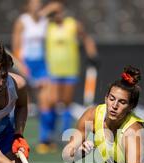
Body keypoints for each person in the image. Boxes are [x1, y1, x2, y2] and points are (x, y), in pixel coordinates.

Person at [36, 0, 98, 154]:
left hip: (69, 71)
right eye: (54, 12)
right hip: (53, 73)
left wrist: (92, 53)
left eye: (59, 11)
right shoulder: (46, 26)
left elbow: (86, 38)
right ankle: (46, 138)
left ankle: (66, 137)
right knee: (49, 103)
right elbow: (36, 17)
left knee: (65, 104)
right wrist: (49, 9)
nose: (57, 14)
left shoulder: (72, 24)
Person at [12, 0, 58, 138]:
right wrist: (21, 66)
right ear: (27, 6)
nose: (37, 6)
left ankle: (48, 136)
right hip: (26, 64)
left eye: (39, 3)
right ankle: (44, 138)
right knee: (31, 101)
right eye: (33, 4)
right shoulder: (22, 21)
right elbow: (15, 47)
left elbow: (56, 6)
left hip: (42, 64)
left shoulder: (44, 20)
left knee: (50, 99)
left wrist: (42, 12)